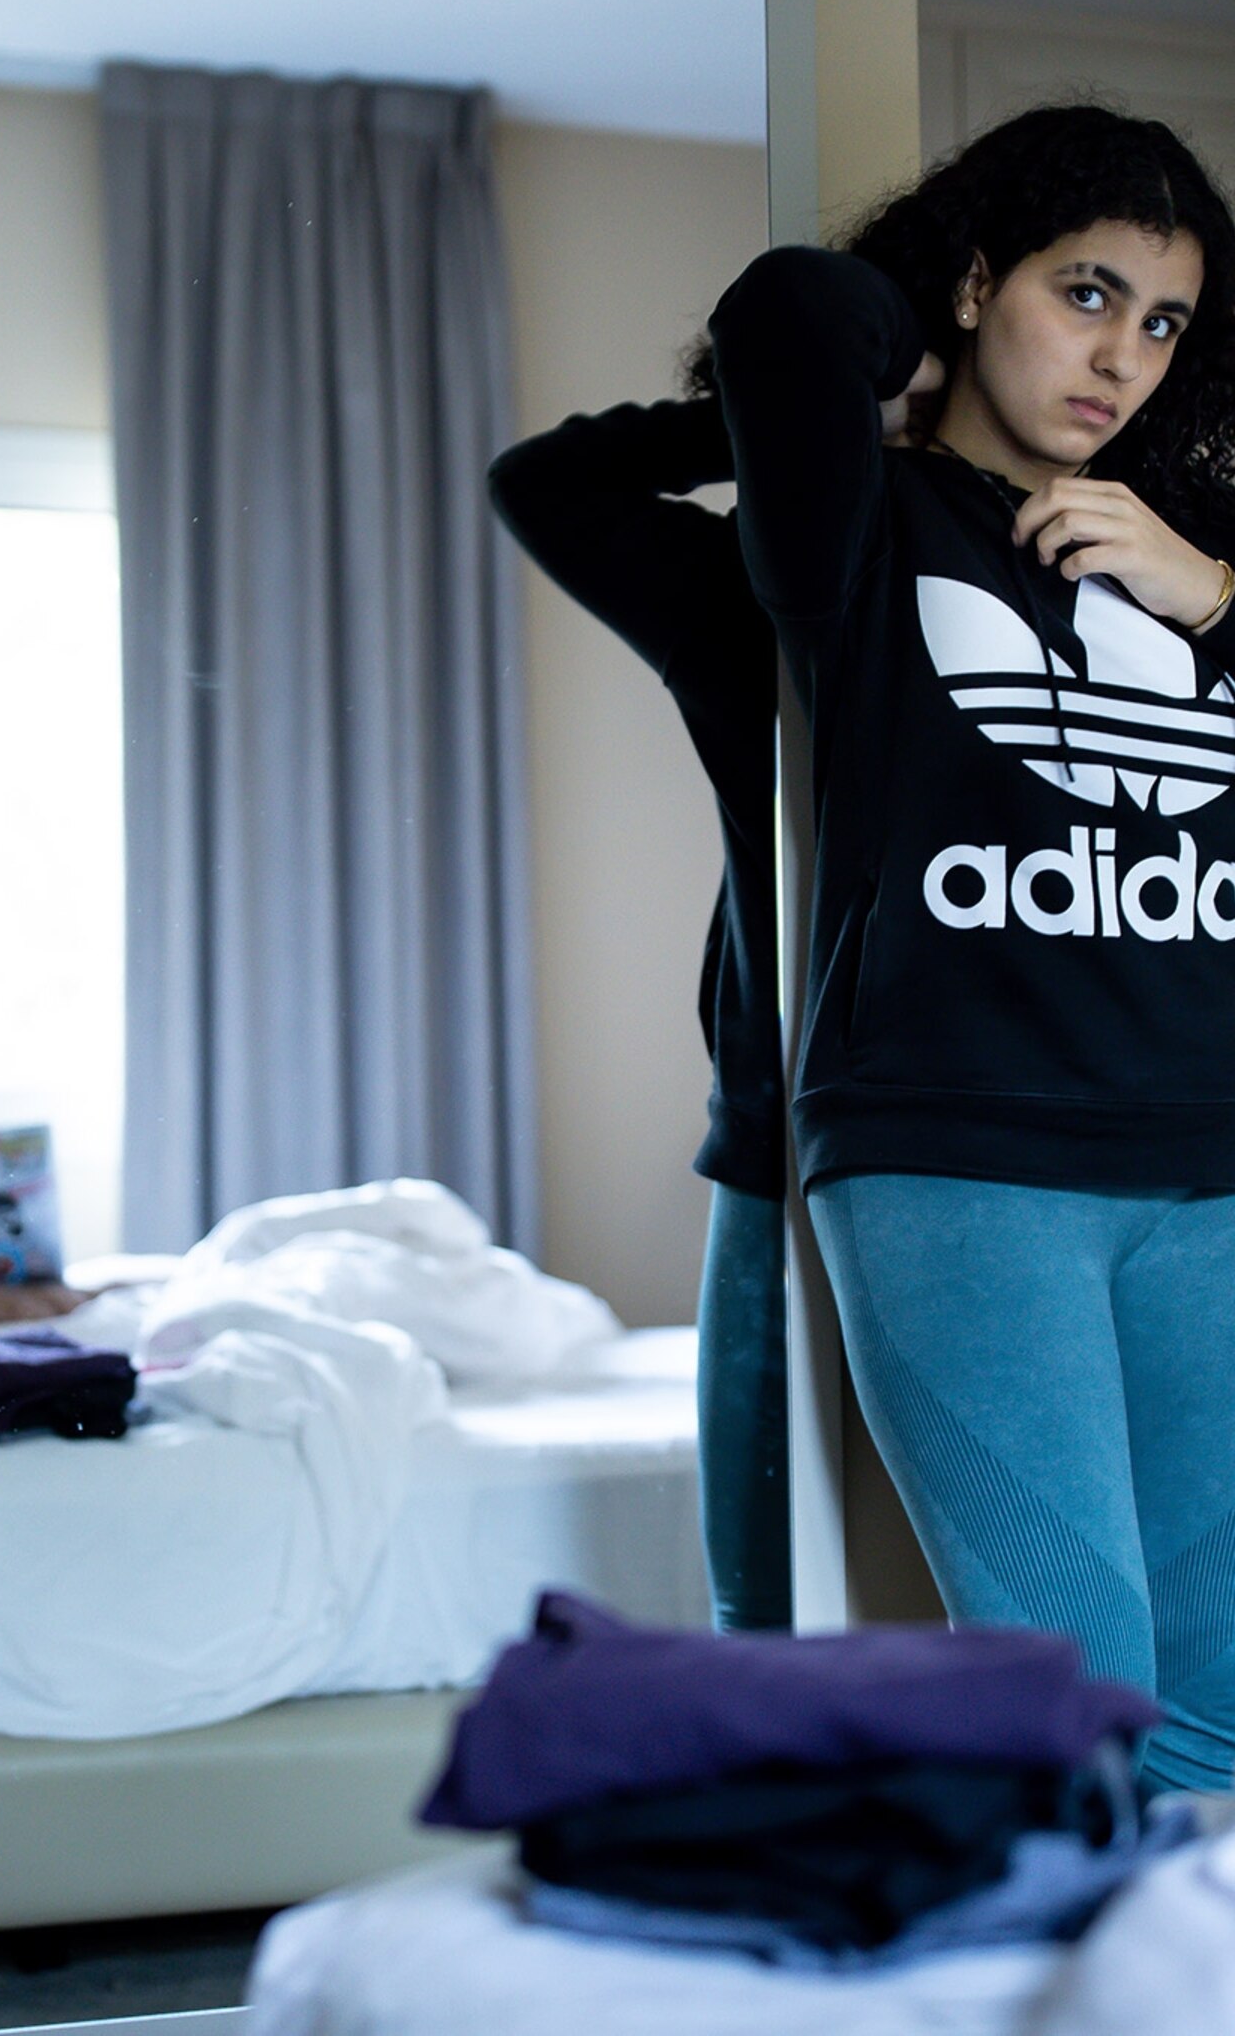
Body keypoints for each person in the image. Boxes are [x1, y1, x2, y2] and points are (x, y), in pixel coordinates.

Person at [704, 104, 1235, 1793]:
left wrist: (1210, 593)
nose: (1121, 355)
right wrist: (918, 299)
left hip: (1215, 1162)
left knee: (1207, 1705)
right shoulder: (864, 525)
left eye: (1165, 322)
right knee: (1076, 1703)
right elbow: (783, 315)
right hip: (957, 1162)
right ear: (979, 283)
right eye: (1083, 291)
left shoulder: (1222, 556)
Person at [489, 397, 789, 1632]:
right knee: (758, 1600)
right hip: (778, 1147)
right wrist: (788, 415)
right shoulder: (748, 609)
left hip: (1020, 1159)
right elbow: (545, 485)